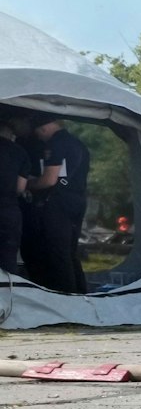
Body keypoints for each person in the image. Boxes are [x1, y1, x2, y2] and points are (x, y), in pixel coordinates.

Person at [25, 114, 90, 293]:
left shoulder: (56, 143)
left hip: (58, 203)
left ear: (43, 128)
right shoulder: (77, 143)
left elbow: (49, 179)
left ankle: (64, 297)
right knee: (70, 253)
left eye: (38, 132)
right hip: (77, 200)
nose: (38, 136)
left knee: (57, 252)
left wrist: (28, 184)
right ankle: (80, 294)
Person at [0, 112, 29, 276]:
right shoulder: (20, 152)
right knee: (7, 259)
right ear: (10, 134)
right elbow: (20, 187)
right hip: (8, 212)